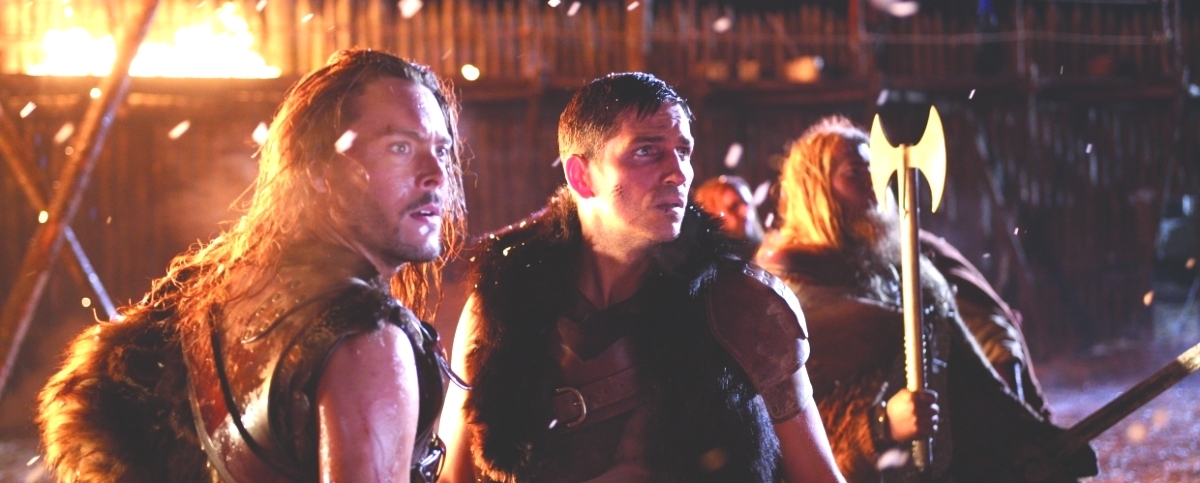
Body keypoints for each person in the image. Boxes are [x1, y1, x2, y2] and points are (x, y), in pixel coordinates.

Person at [37, 49, 465, 483]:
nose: (435, 174)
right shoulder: (366, 342)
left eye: (441, 150)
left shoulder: (221, 286)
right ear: (320, 170)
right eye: (399, 148)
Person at [438, 73, 845, 483]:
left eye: (683, 151)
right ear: (581, 176)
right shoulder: (503, 307)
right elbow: (452, 476)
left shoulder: (743, 306)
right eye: (647, 151)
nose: (679, 173)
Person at [755, 115, 1095, 482]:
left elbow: (970, 341)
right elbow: (801, 425)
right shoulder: (793, 288)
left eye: (874, 166)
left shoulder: (897, 258)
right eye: (855, 171)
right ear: (815, 188)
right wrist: (882, 423)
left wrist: (1014, 399)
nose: (874, 179)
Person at [692, 175, 765, 260]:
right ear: (711, 213)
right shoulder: (706, 262)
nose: (745, 211)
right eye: (733, 206)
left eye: (747, 203)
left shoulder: (765, 252)